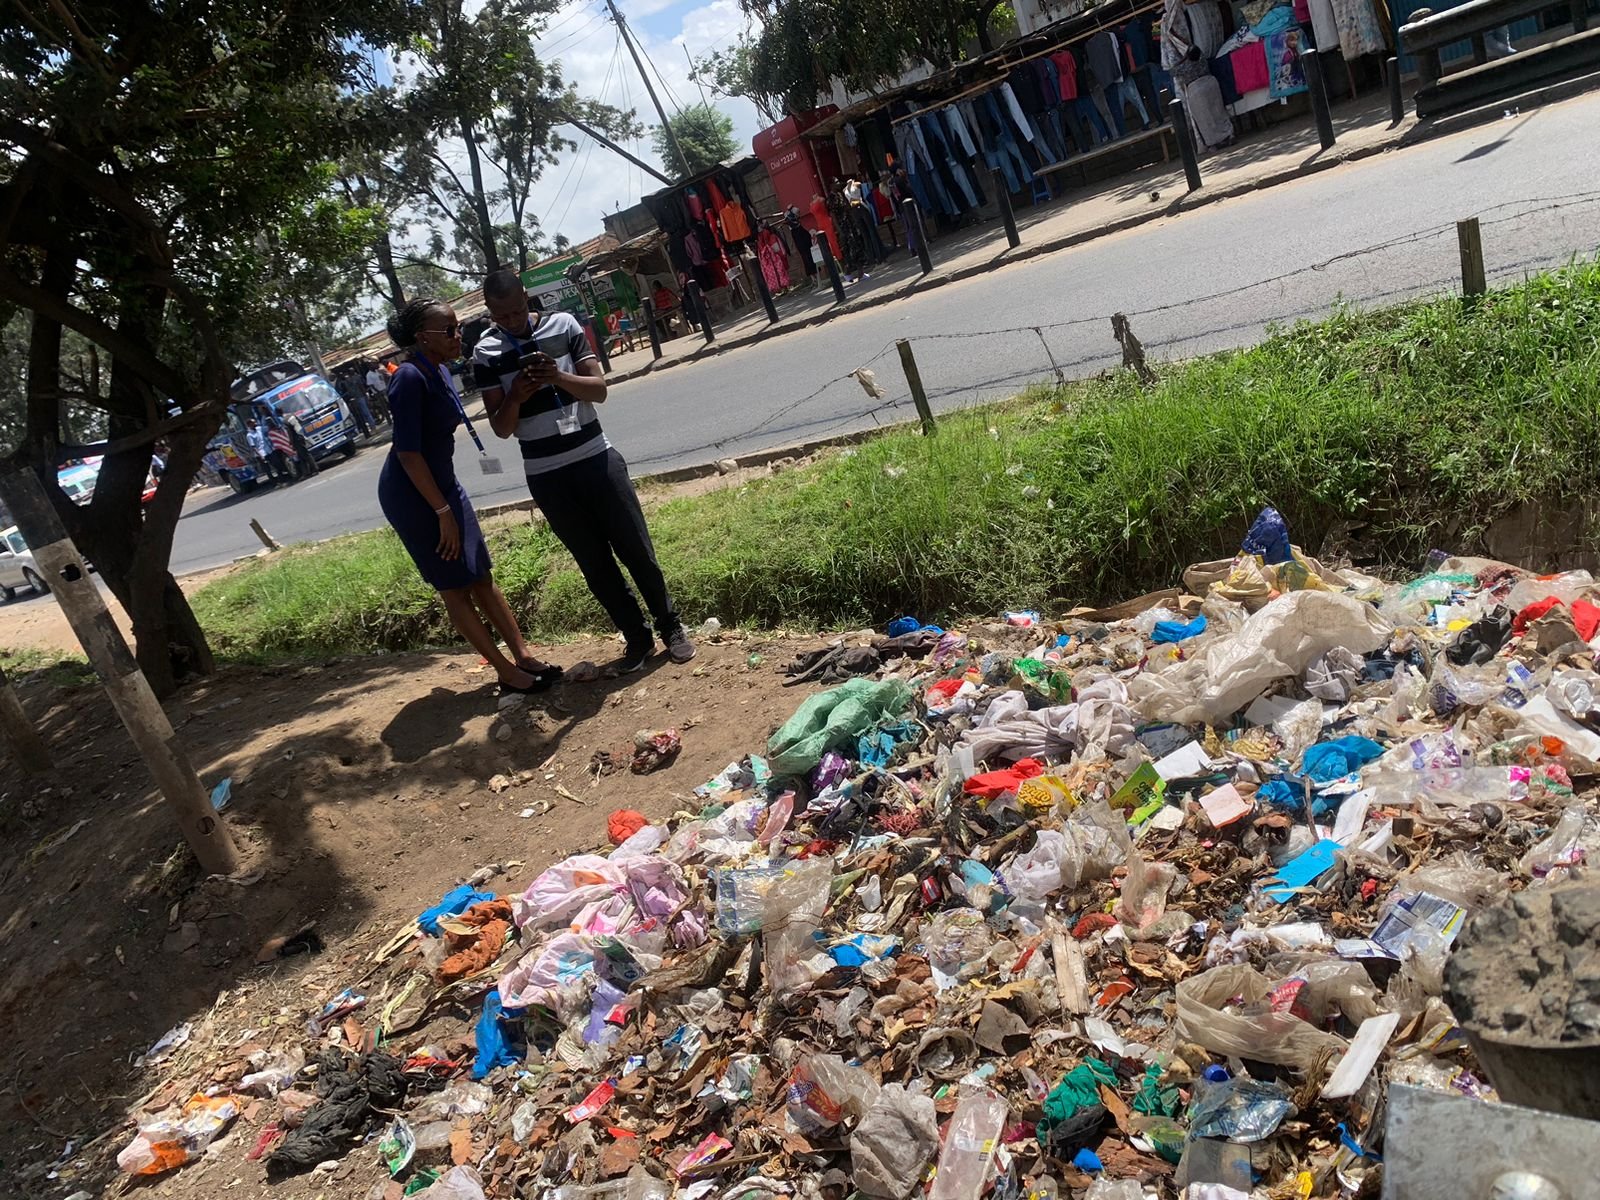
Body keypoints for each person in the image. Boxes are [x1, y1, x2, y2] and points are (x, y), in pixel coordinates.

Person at [474, 269, 696, 674]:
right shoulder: (486, 352)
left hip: (596, 456)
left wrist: (557, 376)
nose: (513, 321)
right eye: (502, 316)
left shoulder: (564, 324)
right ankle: (637, 638)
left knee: (637, 550)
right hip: (546, 474)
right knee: (595, 565)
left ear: (527, 297)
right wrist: (517, 395)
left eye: (518, 310)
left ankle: (672, 627)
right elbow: (502, 428)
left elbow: (599, 389)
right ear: (489, 311)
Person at [378, 297, 560, 699]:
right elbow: (408, 455)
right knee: (454, 586)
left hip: (442, 484)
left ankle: (523, 656)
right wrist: (441, 511)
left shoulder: (438, 369)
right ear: (423, 337)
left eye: (458, 327)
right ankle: (505, 673)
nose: (459, 335)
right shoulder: (408, 378)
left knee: (480, 573)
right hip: (415, 495)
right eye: (450, 330)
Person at [246, 417, 290, 483]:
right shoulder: (249, 435)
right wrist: (261, 456)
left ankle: (281, 479)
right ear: (249, 425)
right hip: (261, 453)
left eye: (255, 422)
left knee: (277, 464)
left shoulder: (260, 429)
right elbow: (253, 447)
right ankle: (274, 482)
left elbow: (269, 428)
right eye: (253, 423)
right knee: (268, 470)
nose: (255, 423)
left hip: (269, 450)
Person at [286, 414, 319, 479]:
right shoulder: (292, 416)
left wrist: (291, 442)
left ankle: (315, 469)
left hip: (297, 440)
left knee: (306, 455)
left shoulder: (285, 421)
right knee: (301, 457)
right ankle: (306, 473)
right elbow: (301, 422)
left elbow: (290, 433)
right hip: (301, 437)